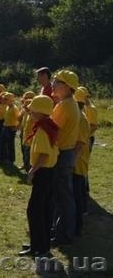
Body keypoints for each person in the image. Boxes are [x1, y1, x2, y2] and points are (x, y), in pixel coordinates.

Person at [18, 95, 59, 258]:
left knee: (35, 211)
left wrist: (32, 171)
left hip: (43, 172)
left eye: (33, 110)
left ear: (41, 112)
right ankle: (40, 245)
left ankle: (39, 248)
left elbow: (43, 155)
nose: (31, 113)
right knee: (44, 209)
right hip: (50, 172)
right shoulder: (49, 125)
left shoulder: (42, 130)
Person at [49, 69, 80, 246]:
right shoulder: (70, 103)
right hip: (66, 154)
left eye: (57, 81)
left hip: (61, 155)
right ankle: (61, 231)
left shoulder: (64, 105)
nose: (53, 84)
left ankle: (64, 235)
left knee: (62, 197)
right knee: (63, 196)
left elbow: (52, 130)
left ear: (67, 87)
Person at [72, 90, 91, 238]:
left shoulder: (81, 119)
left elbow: (78, 144)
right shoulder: (78, 116)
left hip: (77, 166)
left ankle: (76, 229)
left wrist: (70, 163)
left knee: (76, 198)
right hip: (75, 164)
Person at [0, 92, 19, 164]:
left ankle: (11, 160)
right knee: (2, 143)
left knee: (10, 145)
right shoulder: (8, 107)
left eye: (5, 99)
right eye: (4, 99)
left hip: (11, 128)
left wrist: (15, 128)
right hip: (5, 127)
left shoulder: (14, 108)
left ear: (10, 100)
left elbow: (18, 119)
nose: (4, 100)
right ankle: (4, 158)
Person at [19, 99, 33, 171]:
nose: (25, 107)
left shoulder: (33, 115)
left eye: (27, 106)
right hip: (24, 135)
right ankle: (25, 165)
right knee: (24, 151)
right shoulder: (26, 113)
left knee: (28, 154)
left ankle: (29, 170)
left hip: (29, 138)